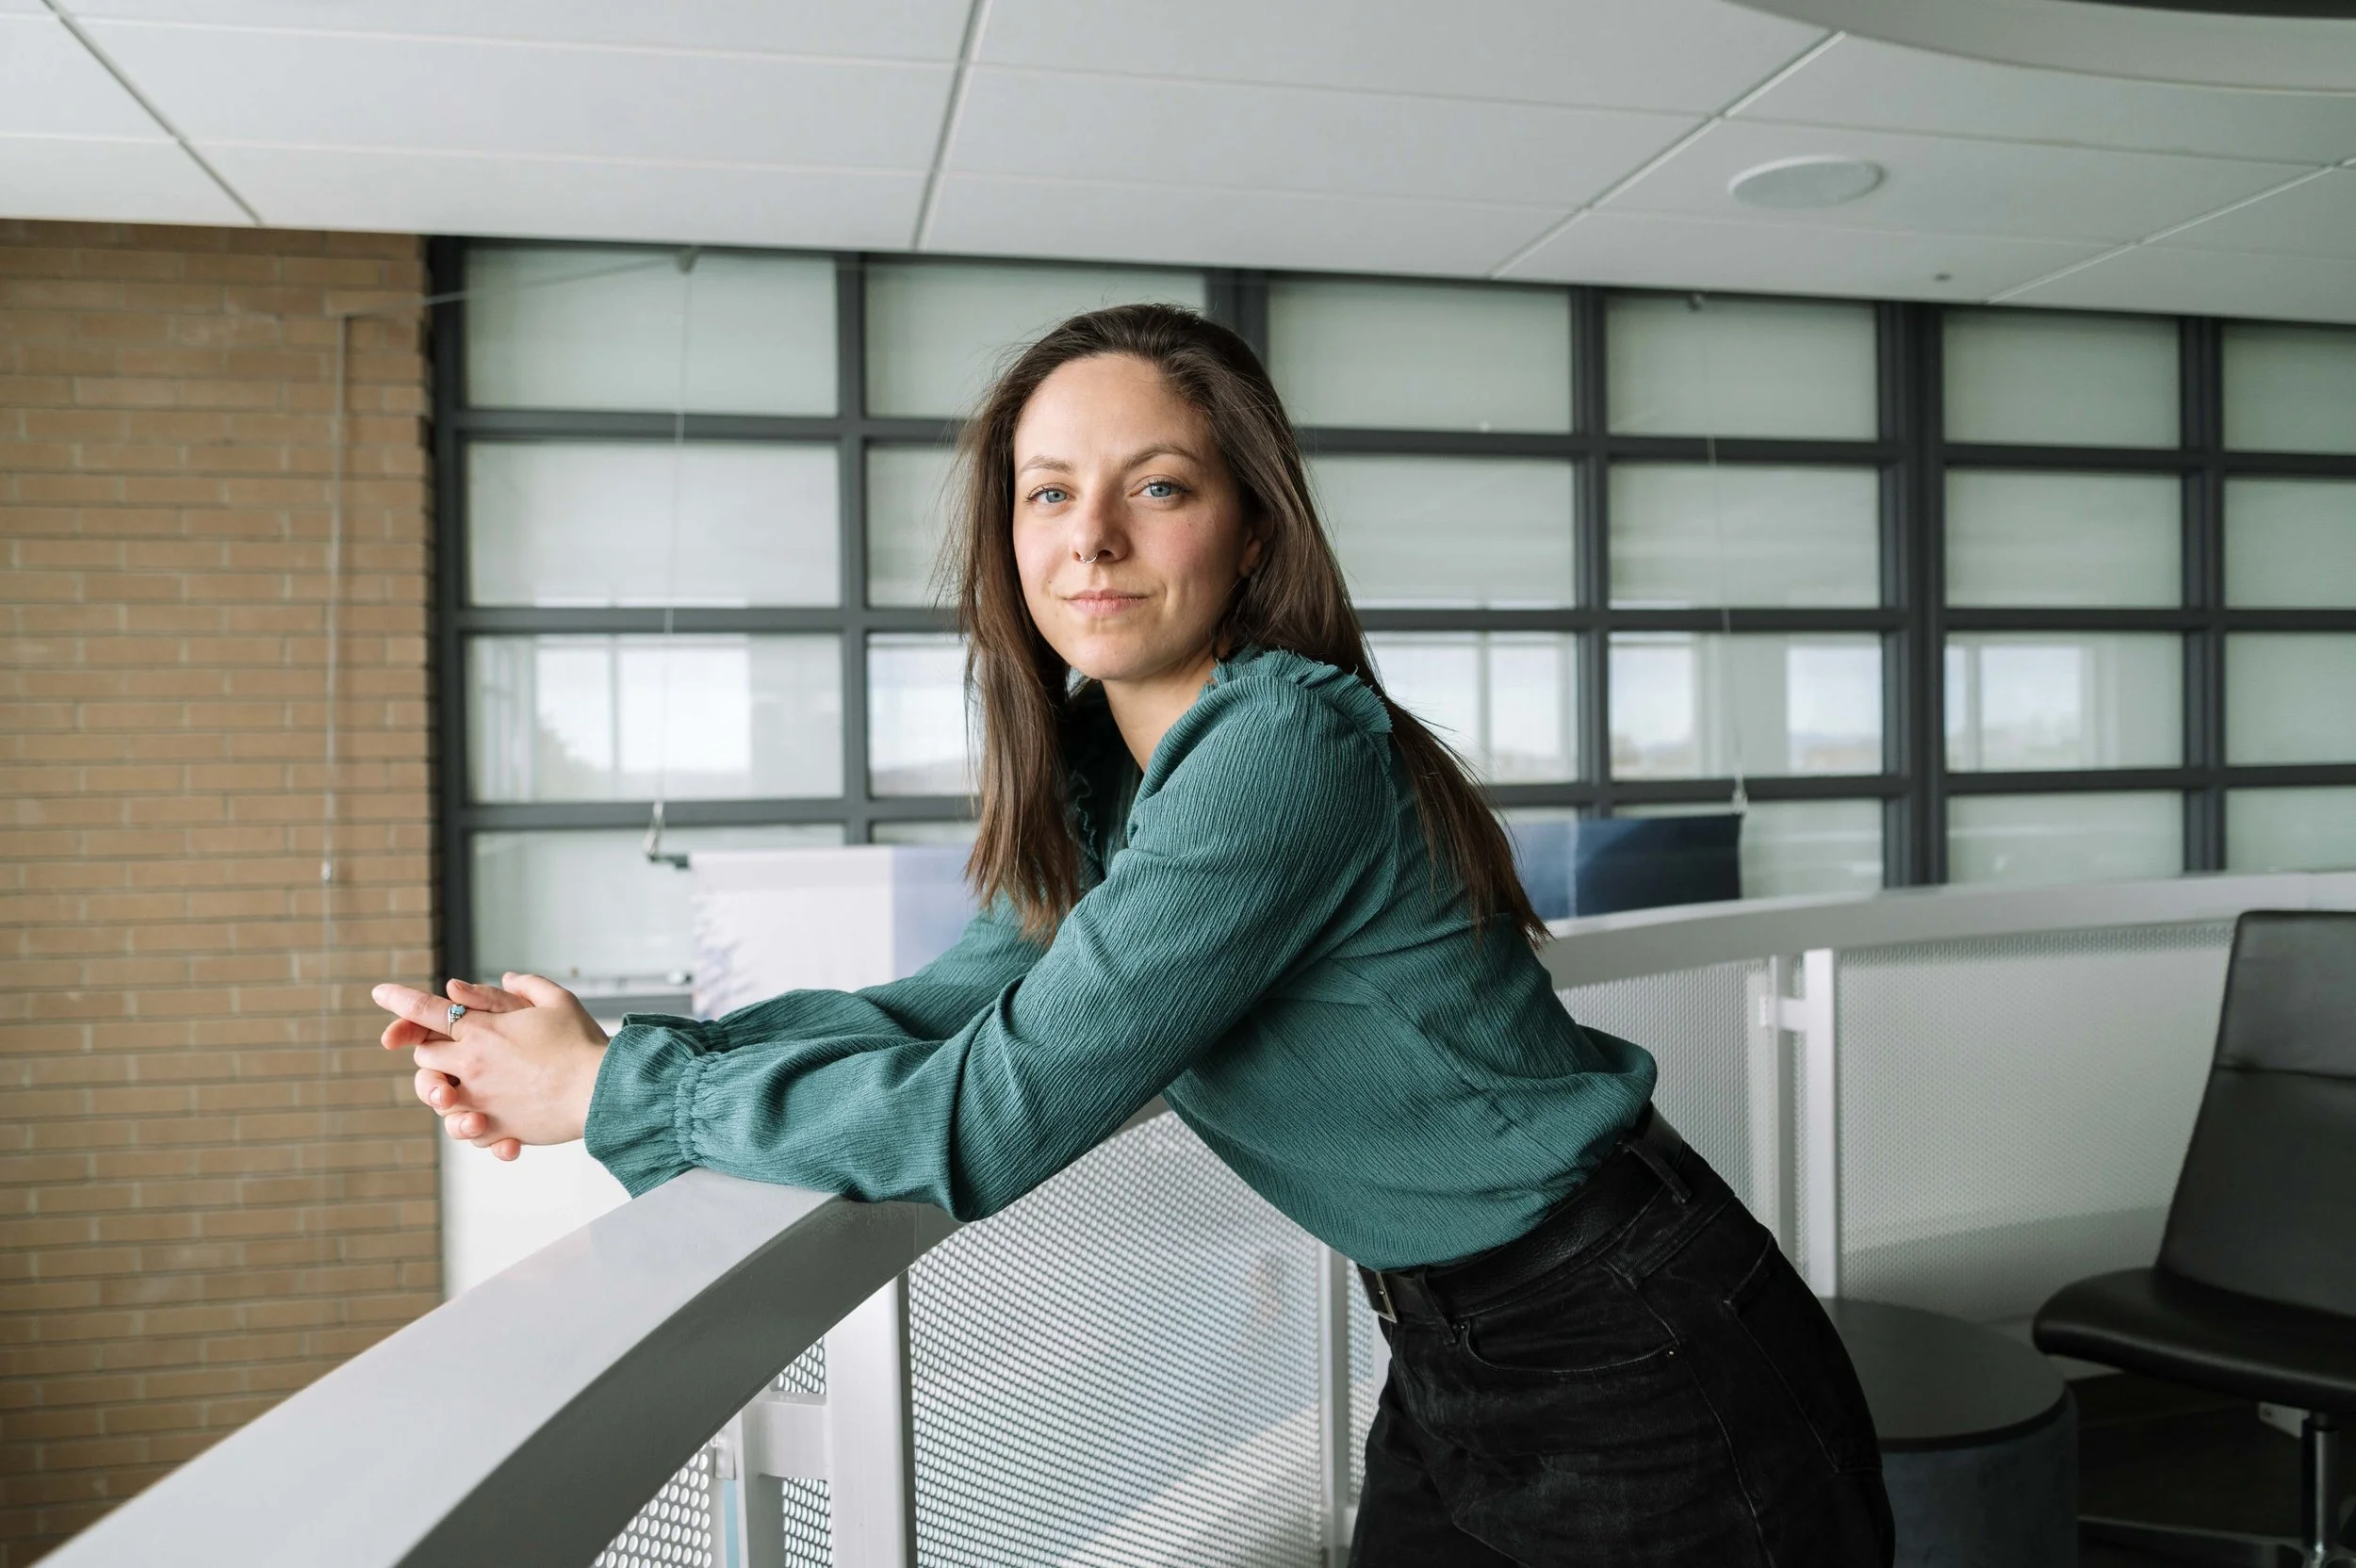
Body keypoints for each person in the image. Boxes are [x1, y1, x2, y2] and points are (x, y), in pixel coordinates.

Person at [374, 303, 1893, 1566]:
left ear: (1250, 529)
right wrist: (620, 1057)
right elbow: (943, 1013)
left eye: (1156, 487)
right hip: (1455, 1342)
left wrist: (614, 1097)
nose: (1090, 538)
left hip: (1626, 1335)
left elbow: (993, 1110)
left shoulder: (1279, 744)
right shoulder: (1111, 775)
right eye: (1048, 492)